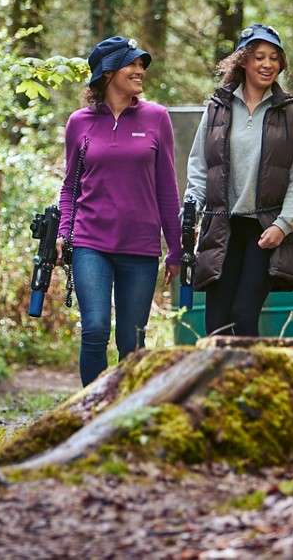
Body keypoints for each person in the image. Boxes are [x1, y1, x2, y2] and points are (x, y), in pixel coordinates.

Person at [57, 35, 182, 386]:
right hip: (90, 241)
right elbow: (70, 186)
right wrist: (64, 233)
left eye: (142, 64)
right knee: (94, 327)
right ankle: (89, 414)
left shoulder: (157, 118)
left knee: (132, 342)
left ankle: (124, 417)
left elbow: (167, 188)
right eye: (132, 63)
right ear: (108, 72)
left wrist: (176, 248)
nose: (140, 70)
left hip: (140, 246)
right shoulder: (79, 122)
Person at [185, 24, 293, 337]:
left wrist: (282, 226)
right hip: (221, 227)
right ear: (243, 61)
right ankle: (217, 384)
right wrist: (190, 209)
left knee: (243, 316)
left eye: (273, 57)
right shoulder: (217, 108)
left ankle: (247, 384)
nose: (267, 64)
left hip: (264, 229)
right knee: (216, 321)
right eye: (258, 57)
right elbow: (200, 165)